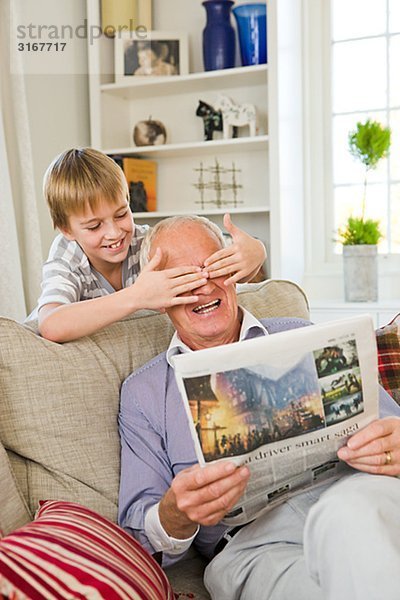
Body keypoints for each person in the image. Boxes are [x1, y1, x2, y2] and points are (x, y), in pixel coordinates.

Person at [118, 215, 400, 600]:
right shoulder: (143, 393)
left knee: (350, 520)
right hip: (253, 546)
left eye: (213, 268)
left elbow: (389, 428)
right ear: (157, 297)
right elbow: (136, 535)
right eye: (182, 279)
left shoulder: (304, 334)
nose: (202, 287)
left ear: (233, 271)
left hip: (352, 497)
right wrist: (174, 514)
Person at [28, 148, 266, 342]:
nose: (114, 233)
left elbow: (214, 278)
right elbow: (50, 325)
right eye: (94, 226)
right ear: (67, 230)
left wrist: (256, 253)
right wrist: (137, 296)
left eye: (121, 214)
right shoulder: (67, 257)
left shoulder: (146, 242)